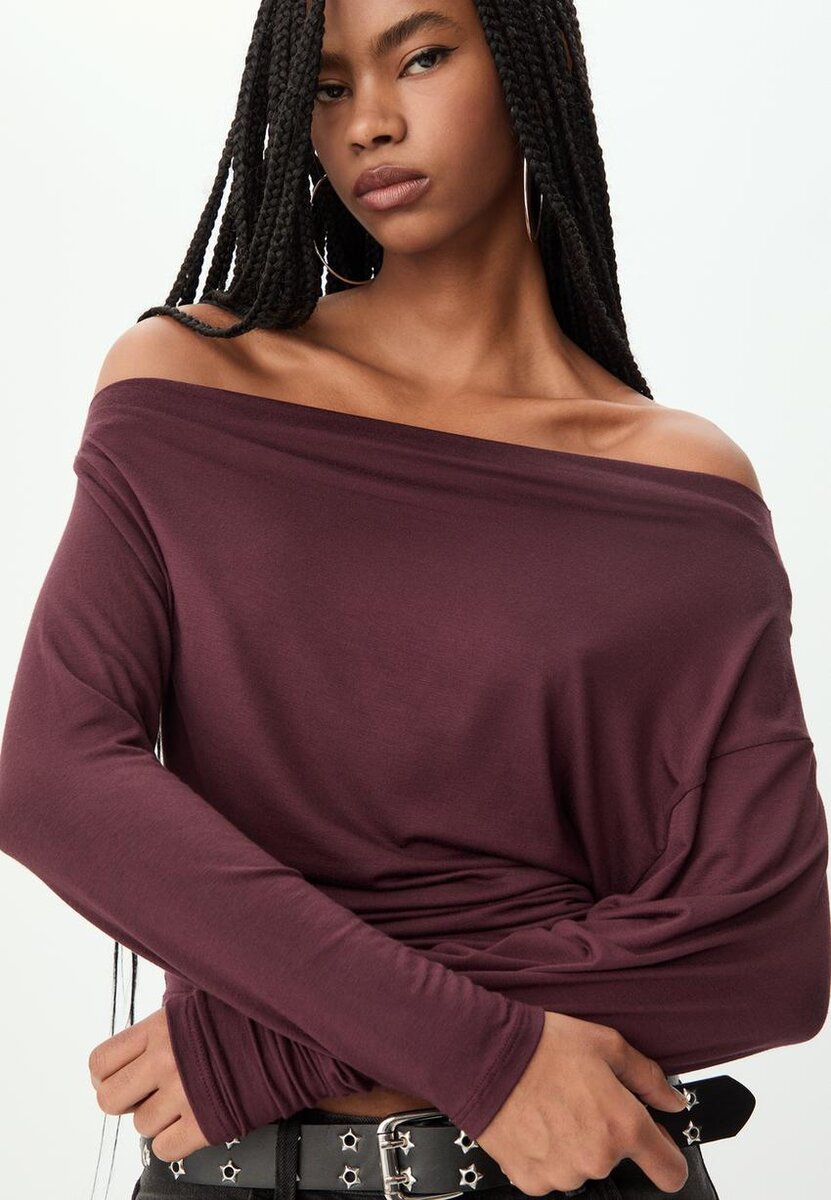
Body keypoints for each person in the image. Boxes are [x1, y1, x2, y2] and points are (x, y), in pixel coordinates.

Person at [0, 2, 827, 1200]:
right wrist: (473, 1044)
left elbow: (767, 954)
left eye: (423, 56)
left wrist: (274, 1045)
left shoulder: (678, 482)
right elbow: (55, 777)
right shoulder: (191, 384)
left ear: (535, 62)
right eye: (328, 87)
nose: (370, 124)